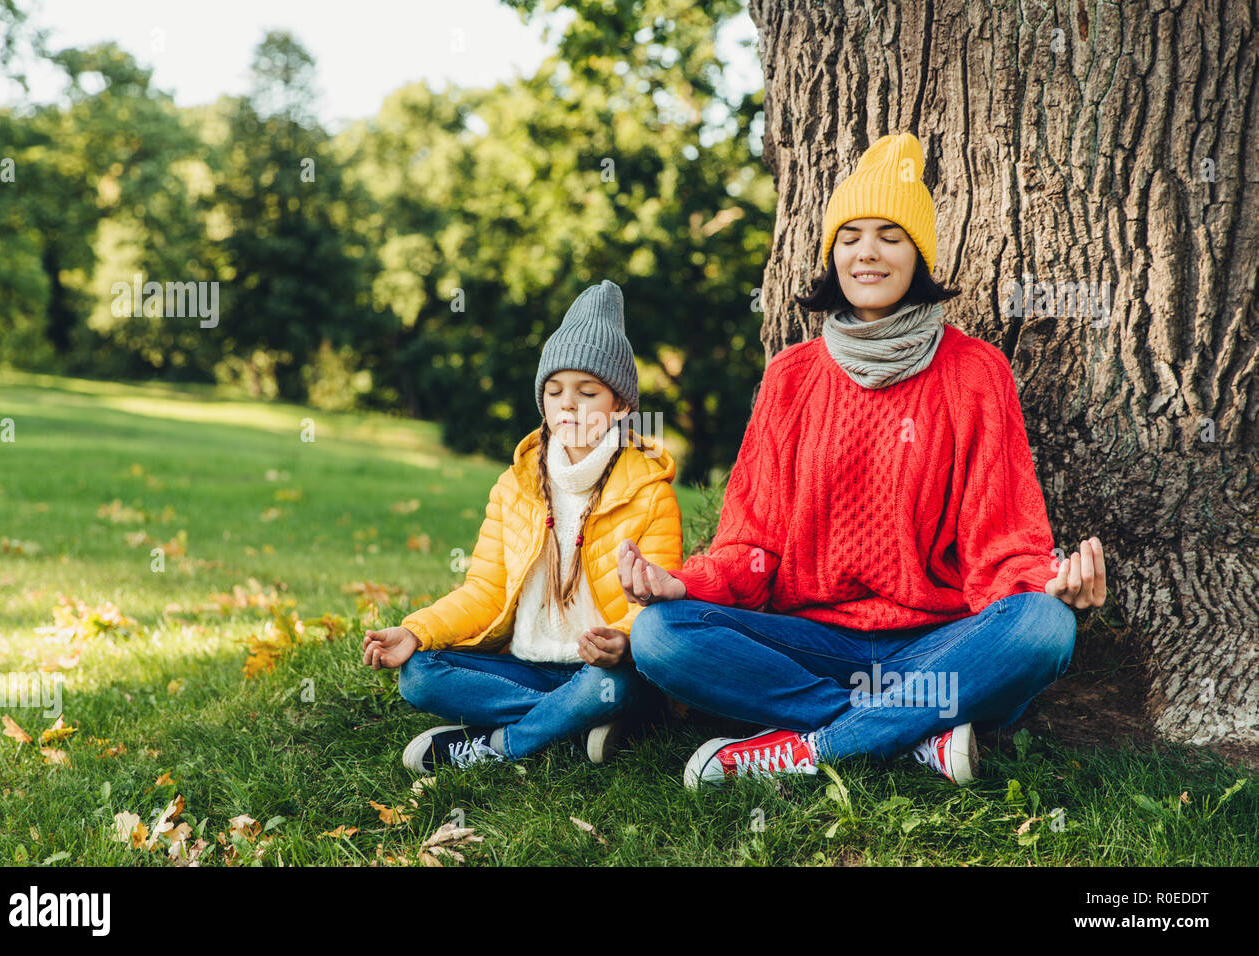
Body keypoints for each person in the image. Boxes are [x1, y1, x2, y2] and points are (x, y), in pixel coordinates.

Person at [617, 132, 1107, 788]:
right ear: (831, 254)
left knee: (1043, 629)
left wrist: (1051, 587)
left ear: (919, 257)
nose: (866, 252)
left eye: (889, 235)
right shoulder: (792, 377)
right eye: (850, 236)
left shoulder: (974, 371)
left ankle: (809, 748)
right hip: (813, 646)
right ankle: (911, 734)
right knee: (659, 635)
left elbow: (1004, 543)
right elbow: (752, 546)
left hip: (937, 643)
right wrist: (686, 585)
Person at [362, 279, 683, 773]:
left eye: (587, 391)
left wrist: (622, 641)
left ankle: (499, 747)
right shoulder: (515, 487)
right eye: (554, 392)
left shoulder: (649, 492)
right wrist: (416, 631)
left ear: (620, 405)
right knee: (419, 675)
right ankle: (572, 728)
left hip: (600, 672)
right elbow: (484, 592)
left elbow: (654, 609)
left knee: (611, 687)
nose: (568, 405)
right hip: (521, 668)